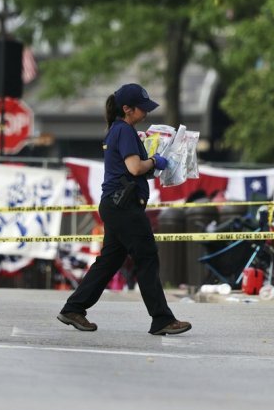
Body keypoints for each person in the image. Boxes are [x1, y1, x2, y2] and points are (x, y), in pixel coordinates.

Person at [58, 83, 192, 336]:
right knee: (147, 256)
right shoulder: (125, 131)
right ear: (127, 109)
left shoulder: (118, 130)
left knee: (109, 261)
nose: (146, 113)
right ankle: (162, 319)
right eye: (142, 108)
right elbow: (134, 168)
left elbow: (132, 170)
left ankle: (73, 308)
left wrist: (151, 165)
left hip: (116, 204)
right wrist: (156, 160)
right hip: (124, 206)